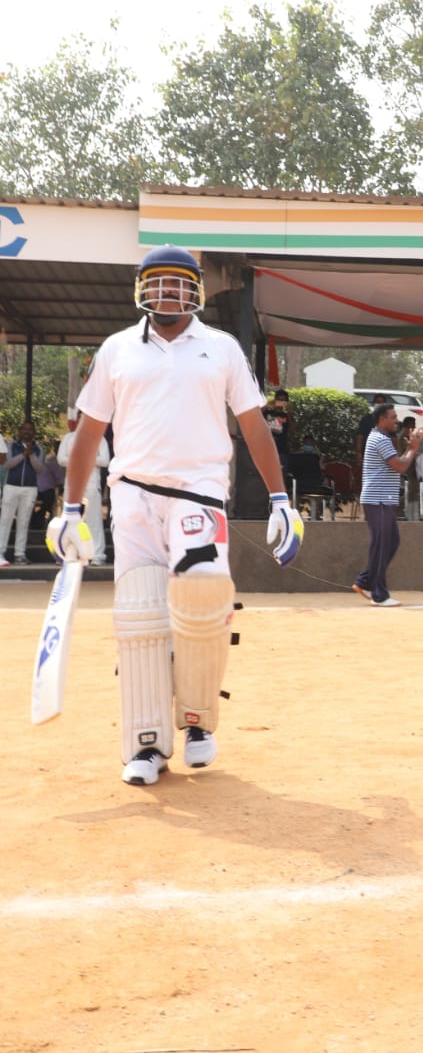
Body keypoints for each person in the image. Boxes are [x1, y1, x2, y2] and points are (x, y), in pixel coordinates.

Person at [47, 245, 304, 787]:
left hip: (199, 492)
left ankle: (198, 723)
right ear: (142, 290)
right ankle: (146, 745)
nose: (168, 292)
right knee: (140, 619)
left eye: (179, 283)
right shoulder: (117, 350)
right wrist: (70, 510)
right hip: (134, 497)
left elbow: (254, 426)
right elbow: (90, 433)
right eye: (157, 283)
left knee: (204, 590)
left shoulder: (221, 348)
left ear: (196, 291)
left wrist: (281, 500)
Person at [352, 403, 423, 606]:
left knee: (390, 542)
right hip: (379, 500)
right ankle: (379, 594)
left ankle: (365, 581)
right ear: (382, 419)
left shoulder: (381, 438)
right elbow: (401, 466)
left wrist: (410, 449)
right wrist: (413, 448)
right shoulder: (379, 439)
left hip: (382, 500)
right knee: (382, 544)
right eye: (393, 417)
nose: (396, 421)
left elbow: (397, 463)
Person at [57, 413, 110, 564]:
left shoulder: (99, 438)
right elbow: (61, 459)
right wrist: (82, 459)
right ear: (78, 420)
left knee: (94, 521)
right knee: (70, 519)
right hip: (72, 485)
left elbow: (105, 460)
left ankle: (98, 555)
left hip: (91, 484)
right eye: (81, 417)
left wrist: (83, 458)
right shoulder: (68, 438)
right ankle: (68, 554)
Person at [0, 420, 46, 565]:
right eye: (24, 429)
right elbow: (7, 465)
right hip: (11, 486)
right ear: (20, 431)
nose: (27, 431)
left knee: (24, 521)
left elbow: (40, 469)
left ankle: (19, 554)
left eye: (30, 429)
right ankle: (0, 553)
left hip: (30, 488)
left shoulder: (39, 449)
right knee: (5, 520)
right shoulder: (12, 446)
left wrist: (31, 455)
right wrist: (23, 455)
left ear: (34, 432)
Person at [355, 393, 387, 471]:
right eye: (377, 402)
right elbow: (360, 437)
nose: (379, 404)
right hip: (369, 455)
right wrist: (358, 453)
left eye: (381, 403)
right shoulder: (366, 419)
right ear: (373, 403)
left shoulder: (388, 420)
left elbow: (393, 438)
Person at [397, 416, 420, 520]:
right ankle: (409, 513)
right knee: (410, 491)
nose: (415, 425)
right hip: (407, 467)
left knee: (413, 491)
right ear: (409, 424)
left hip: (410, 466)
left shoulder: (406, 435)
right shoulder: (403, 436)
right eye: (413, 423)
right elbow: (404, 452)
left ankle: (412, 513)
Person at [263, 388, 291, 468]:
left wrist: (289, 413)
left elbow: (293, 431)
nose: (280, 402)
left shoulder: (286, 415)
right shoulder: (267, 412)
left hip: (282, 450)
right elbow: (256, 416)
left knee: (281, 473)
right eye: (279, 399)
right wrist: (267, 405)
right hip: (267, 448)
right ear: (275, 399)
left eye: (283, 400)